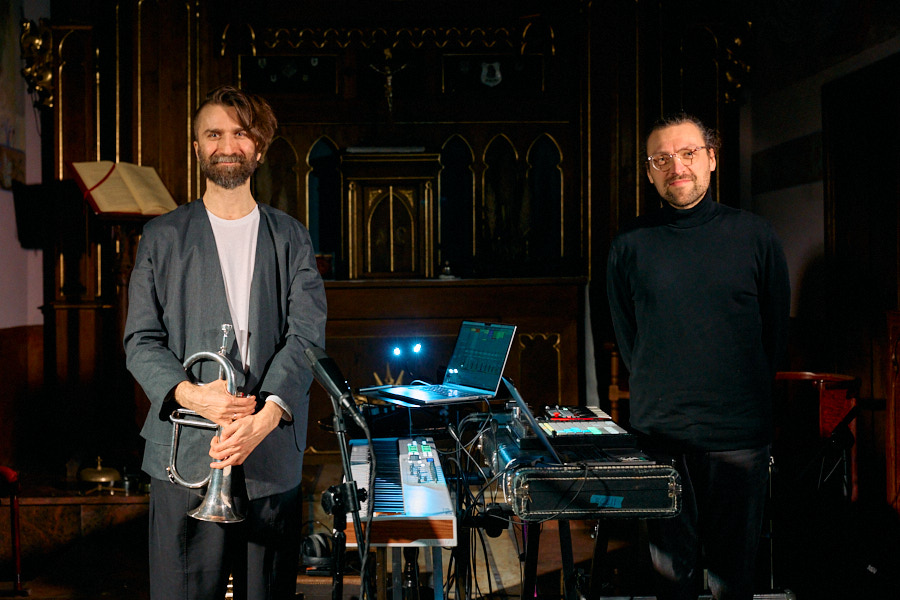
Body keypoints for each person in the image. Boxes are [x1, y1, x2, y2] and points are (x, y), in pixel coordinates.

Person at [123, 85, 327, 600]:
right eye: (213, 134)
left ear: (259, 147)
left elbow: (305, 337)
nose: (227, 145)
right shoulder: (162, 236)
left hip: (268, 449)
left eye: (240, 134)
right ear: (197, 147)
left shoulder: (292, 237)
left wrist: (267, 416)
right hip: (185, 450)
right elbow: (141, 340)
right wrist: (192, 395)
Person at [606, 113, 790, 600]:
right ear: (649, 173)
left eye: (688, 153)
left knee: (734, 580)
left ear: (711, 158)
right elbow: (626, 336)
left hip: (738, 439)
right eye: (661, 159)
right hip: (661, 437)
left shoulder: (756, 236)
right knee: (671, 580)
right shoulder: (629, 245)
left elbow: (775, 332)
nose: (676, 167)